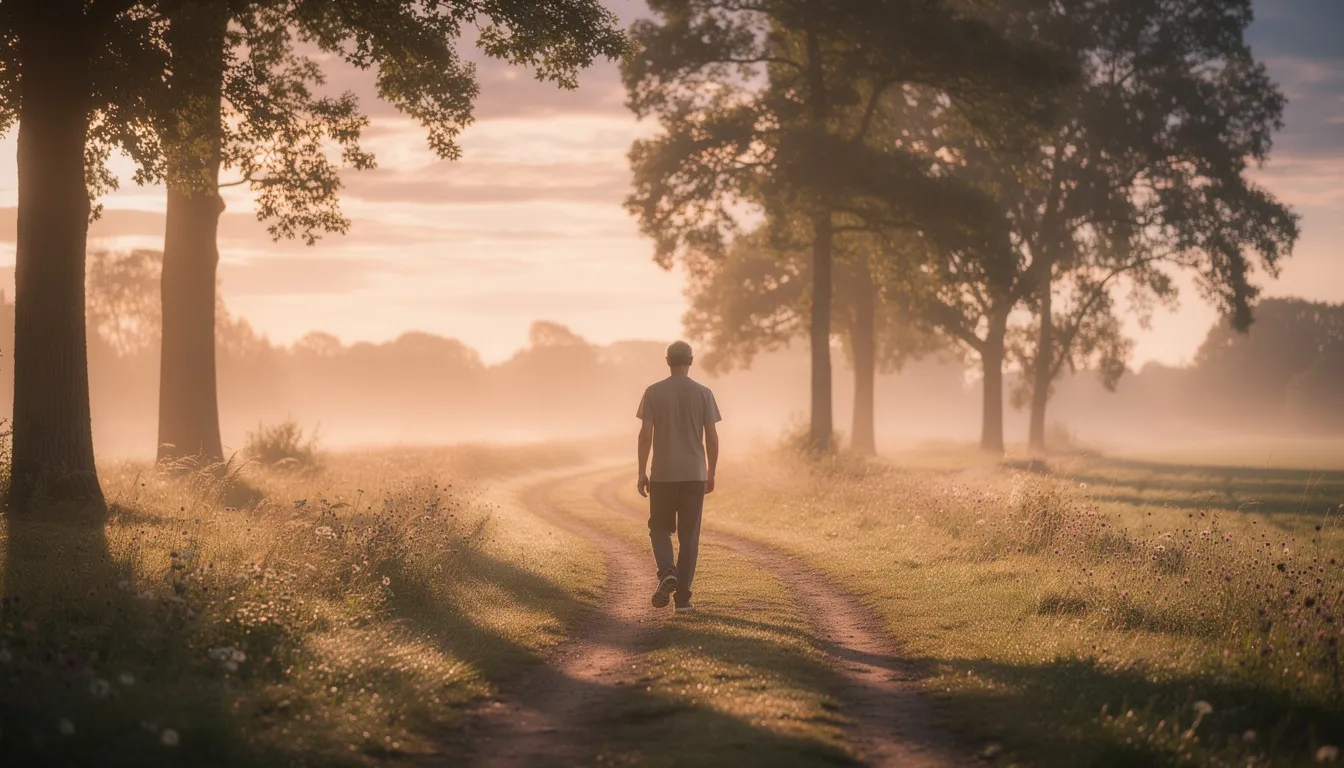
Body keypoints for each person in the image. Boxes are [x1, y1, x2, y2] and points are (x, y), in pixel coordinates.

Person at [636, 340, 721, 614]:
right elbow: (712, 438)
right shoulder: (704, 393)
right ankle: (683, 601)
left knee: (659, 528)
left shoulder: (652, 392)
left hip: (662, 474)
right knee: (689, 537)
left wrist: (641, 471)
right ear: (691, 361)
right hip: (694, 475)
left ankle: (666, 573)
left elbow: (645, 434)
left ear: (667, 360)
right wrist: (711, 472)